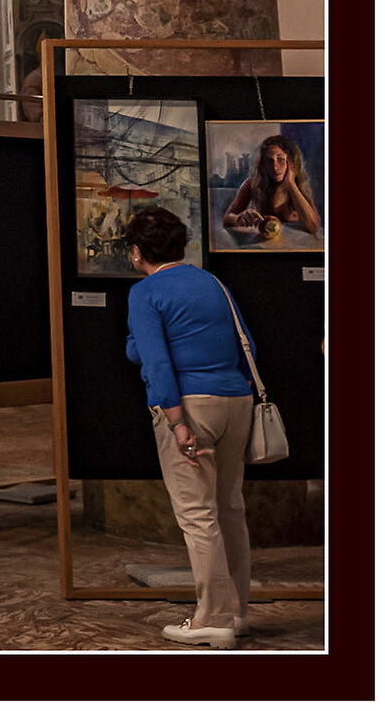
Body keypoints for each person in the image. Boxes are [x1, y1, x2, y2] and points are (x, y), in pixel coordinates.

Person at [125, 202, 255, 649]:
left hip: (189, 406)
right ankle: (236, 611)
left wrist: (176, 421)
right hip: (236, 400)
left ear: (137, 252)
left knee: (198, 516)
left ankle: (213, 619)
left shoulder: (145, 293)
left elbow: (156, 362)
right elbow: (246, 344)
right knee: (230, 509)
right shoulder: (211, 282)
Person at [222, 135, 321, 242]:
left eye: (280, 159)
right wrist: (239, 218)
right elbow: (227, 219)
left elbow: (313, 227)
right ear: (263, 164)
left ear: (291, 163)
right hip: (262, 244)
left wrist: (291, 184)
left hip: (293, 243)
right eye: (269, 161)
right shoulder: (252, 184)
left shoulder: (298, 186)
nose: (275, 167)